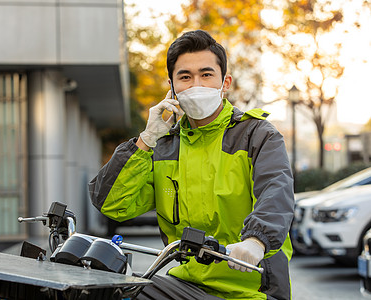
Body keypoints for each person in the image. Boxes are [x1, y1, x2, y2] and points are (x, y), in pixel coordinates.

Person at [89, 30, 294, 300]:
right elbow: (112, 204)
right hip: (188, 283)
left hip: (252, 287)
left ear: (225, 83)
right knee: (111, 292)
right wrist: (146, 139)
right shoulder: (163, 146)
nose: (196, 84)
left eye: (206, 75)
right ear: (172, 87)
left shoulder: (258, 134)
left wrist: (256, 240)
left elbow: (276, 190)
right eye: (185, 77)